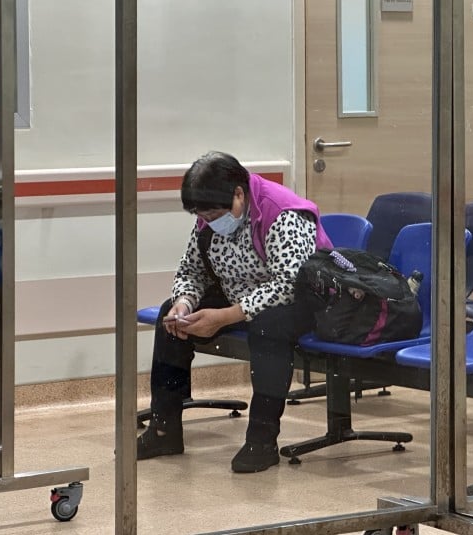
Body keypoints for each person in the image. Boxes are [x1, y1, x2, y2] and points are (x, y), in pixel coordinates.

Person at [136, 151, 332, 472]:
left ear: (238, 194)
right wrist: (184, 303)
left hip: (302, 301)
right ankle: (164, 429)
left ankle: (262, 440)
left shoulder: (282, 213)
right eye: (203, 216)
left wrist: (226, 316)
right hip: (239, 296)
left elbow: (289, 284)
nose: (209, 222)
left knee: (268, 328)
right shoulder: (209, 218)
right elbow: (191, 270)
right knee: (169, 316)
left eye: (213, 214)